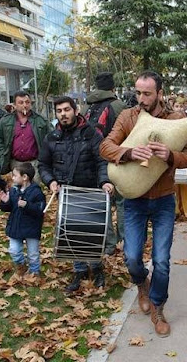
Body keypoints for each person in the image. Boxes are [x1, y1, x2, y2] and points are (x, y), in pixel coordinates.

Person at [99, 71, 187, 338]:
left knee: (161, 261)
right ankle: (141, 284)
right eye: (138, 93)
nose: (141, 99)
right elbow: (105, 146)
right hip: (134, 201)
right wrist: (127, 153)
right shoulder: (128, 117)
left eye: (147, 94)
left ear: (159, 93)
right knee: (131, 257)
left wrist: (171, 155)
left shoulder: (175, 120)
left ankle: (158, 307)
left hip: (163, 200)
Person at [38, 96, 115, 290]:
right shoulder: (51, 137)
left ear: (76, 110)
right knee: (71, 232)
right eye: (59, 111)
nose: (63, 114)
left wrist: (104, 181)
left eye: (66, 110)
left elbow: (102, 160)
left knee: (93, 232)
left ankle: (97, 269)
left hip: (91, 191)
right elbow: (43, 165)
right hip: (66, 193)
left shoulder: (92, 134)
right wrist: (51, 181)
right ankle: (79, 270)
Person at [85, 72, 128, 246]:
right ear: (112, 88)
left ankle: (109, 243)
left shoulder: (87, 107)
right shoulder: (119, 106)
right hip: (118, 159)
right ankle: (125, 240)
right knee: (122, 201)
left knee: (105, 202)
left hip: (96, 161)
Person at [0, 162, 45, 280]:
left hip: (31, 227)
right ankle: (20, 265)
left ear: (24, 177)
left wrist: (27, 205)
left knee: (33, 254)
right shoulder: (13, 190)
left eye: (15, 175)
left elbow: (40, 210)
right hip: (16, 226)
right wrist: (5, 202)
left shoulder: (37, 192)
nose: (12, 178)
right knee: (14, 250)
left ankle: (34, 271)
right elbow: (8, 208)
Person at [0, 91, 52, 181]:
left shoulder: (41, 120)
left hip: (34, 164)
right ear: (15, 105)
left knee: (33, 191)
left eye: (27, 102)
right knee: (17, 192)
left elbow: (51, 138)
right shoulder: (6, 120)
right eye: (21, 102)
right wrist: (2, 154)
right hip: (15, 163)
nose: (25, 105)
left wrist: (45, 155)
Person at [85, 72, 128, 139]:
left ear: (97, 88)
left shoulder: (86, 107)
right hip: (111, 147)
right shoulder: (120, 106)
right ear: (113, 89)